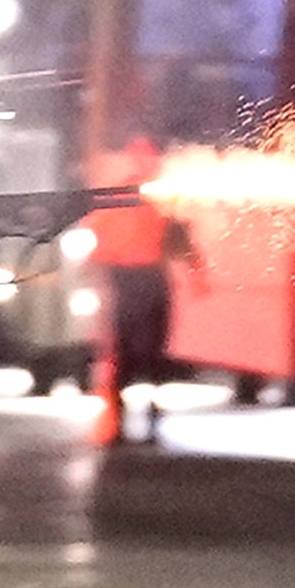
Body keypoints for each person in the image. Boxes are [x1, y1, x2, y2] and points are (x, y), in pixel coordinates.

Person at [83, 139, 195, 444]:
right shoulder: (160, 189)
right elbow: (179, 232)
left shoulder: (115, 192)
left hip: (123, 276)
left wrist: (96, 268)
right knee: (152, 351)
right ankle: (149, 418)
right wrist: (195, 267)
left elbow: (97, 232)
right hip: (149, 275)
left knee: (122, 349)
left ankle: (119, 421)